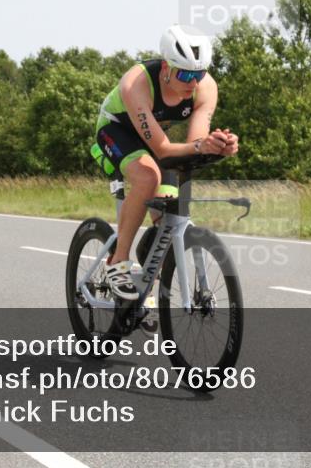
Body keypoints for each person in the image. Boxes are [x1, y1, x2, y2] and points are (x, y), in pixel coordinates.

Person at [91, 25, 238, 300]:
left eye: (199, 74)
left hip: (155, 137)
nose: (192, 82)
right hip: (117, 131)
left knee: (167, 215)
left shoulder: (206, 87)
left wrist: (219, 146)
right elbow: (163, 149)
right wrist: (199, 145)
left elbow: (195, 143)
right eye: (184, 74)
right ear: (165, 68)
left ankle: (146, 281)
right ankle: (117, 263)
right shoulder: (135, 83)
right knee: (148, 179)